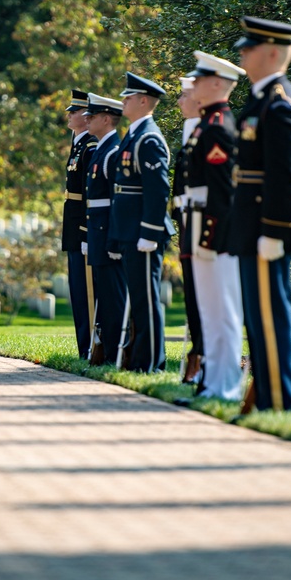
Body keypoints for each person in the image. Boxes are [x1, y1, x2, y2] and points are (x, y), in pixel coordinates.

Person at [233, 17, 291, 413]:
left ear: (274, 53)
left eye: (251, 47)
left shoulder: (279, 102)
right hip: (252, 223)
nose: (243, 53)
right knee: (257, 319)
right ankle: (264, 394)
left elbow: (283, 174)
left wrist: (273, 229)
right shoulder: (260, 99)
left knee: (269, 317)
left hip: (267, 224)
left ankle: (281, 402)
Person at [185, 51, 247, 400]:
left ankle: (227, 385)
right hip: (201, 225)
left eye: (198, 79)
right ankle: (213, 381)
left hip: (216, 232)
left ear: (216, 84)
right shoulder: (207, 125)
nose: (193, 85)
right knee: (210, 313)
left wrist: (210, 235)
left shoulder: (219, 127)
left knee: (223, 312)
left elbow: (223, 193)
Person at [109, 72, 175, 373]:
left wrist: (149, 231)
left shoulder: (148, 138)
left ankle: (151, 363)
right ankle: (139, 359)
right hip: (129, 229)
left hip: (142, 231)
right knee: (138, 298)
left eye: (129, 97)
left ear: (144, 101)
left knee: (146, 300)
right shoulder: (134, 134)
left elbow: (158, 189)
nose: (123, 100)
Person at [84, 93, 127, 366]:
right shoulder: (101, 148)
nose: (86, 119)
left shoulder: (112, 152)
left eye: (93, 115)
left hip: (107, 232)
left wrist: (114, 238)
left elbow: (117, 201)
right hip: (97, 231)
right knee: (105, 294)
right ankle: (109, 351)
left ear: (107, 119)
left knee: (114, 295)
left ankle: (116, 352)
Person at [172, 77, 205, 383]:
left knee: (204, 300)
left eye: (184, 96)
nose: (179, 102)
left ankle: (203, 357)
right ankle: (199, 353)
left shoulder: (208, 132)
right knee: (193, 298)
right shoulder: (191, 133)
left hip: (202, 227)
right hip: (187, 224)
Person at [62, 89, 97, 359]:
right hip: (73, 230)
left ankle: (89, 348)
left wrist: (85, 231)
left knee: (87, 293)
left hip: (81, 230)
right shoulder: (78, 146)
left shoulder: (90, 147)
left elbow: (90, 193)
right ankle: (83, 347)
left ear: (87, 117)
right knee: (77, 291)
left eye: (75, 112)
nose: (70, 115)